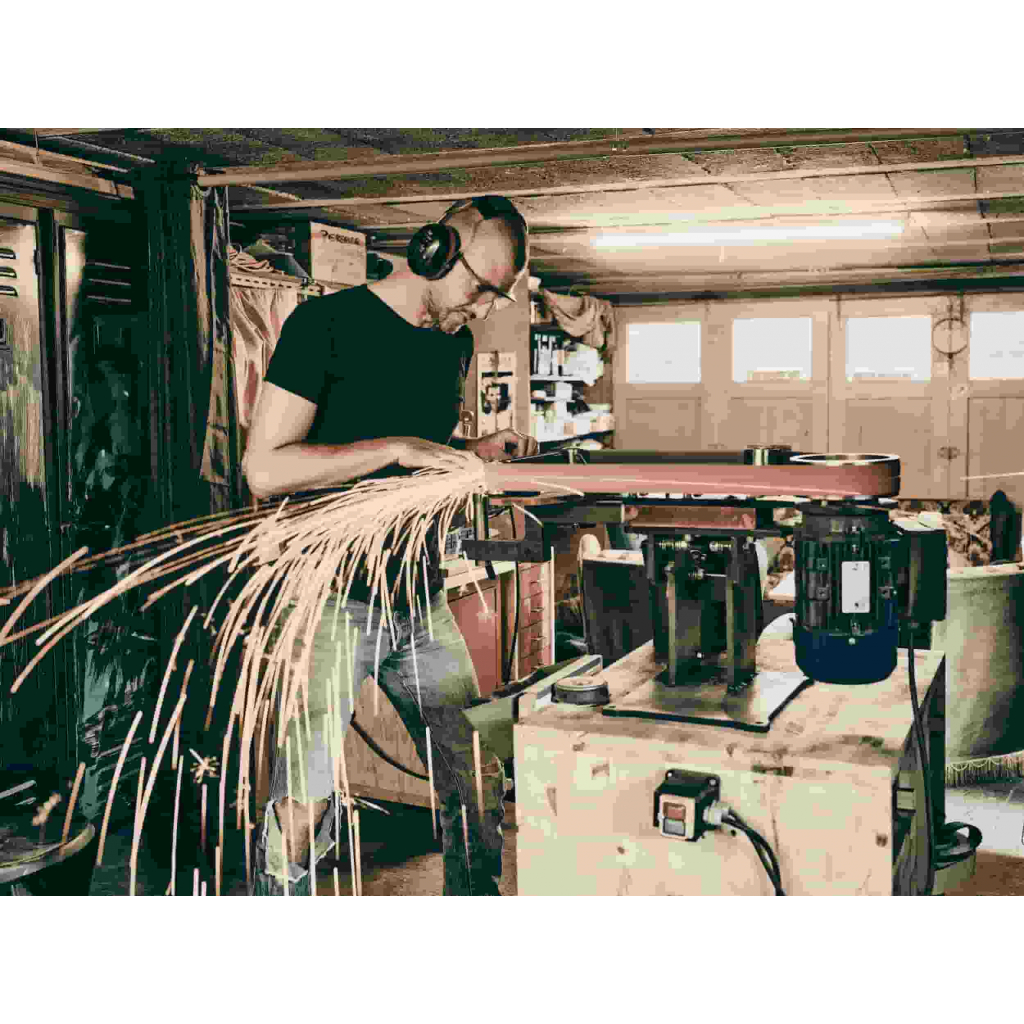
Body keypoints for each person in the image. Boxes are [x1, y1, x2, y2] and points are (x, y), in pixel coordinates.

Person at [242, 195, 537, 896]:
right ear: (435, 250)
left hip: (416, 595)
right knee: (308, 787)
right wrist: (397, 450)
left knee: (472, 765)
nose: (484, 309)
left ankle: (476, 899)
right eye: (480, 288)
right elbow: (265, 470)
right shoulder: (326, 325)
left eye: (499, 295)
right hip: (329, 599)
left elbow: (420, 456)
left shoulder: (452, 343)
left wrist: (471, 453)